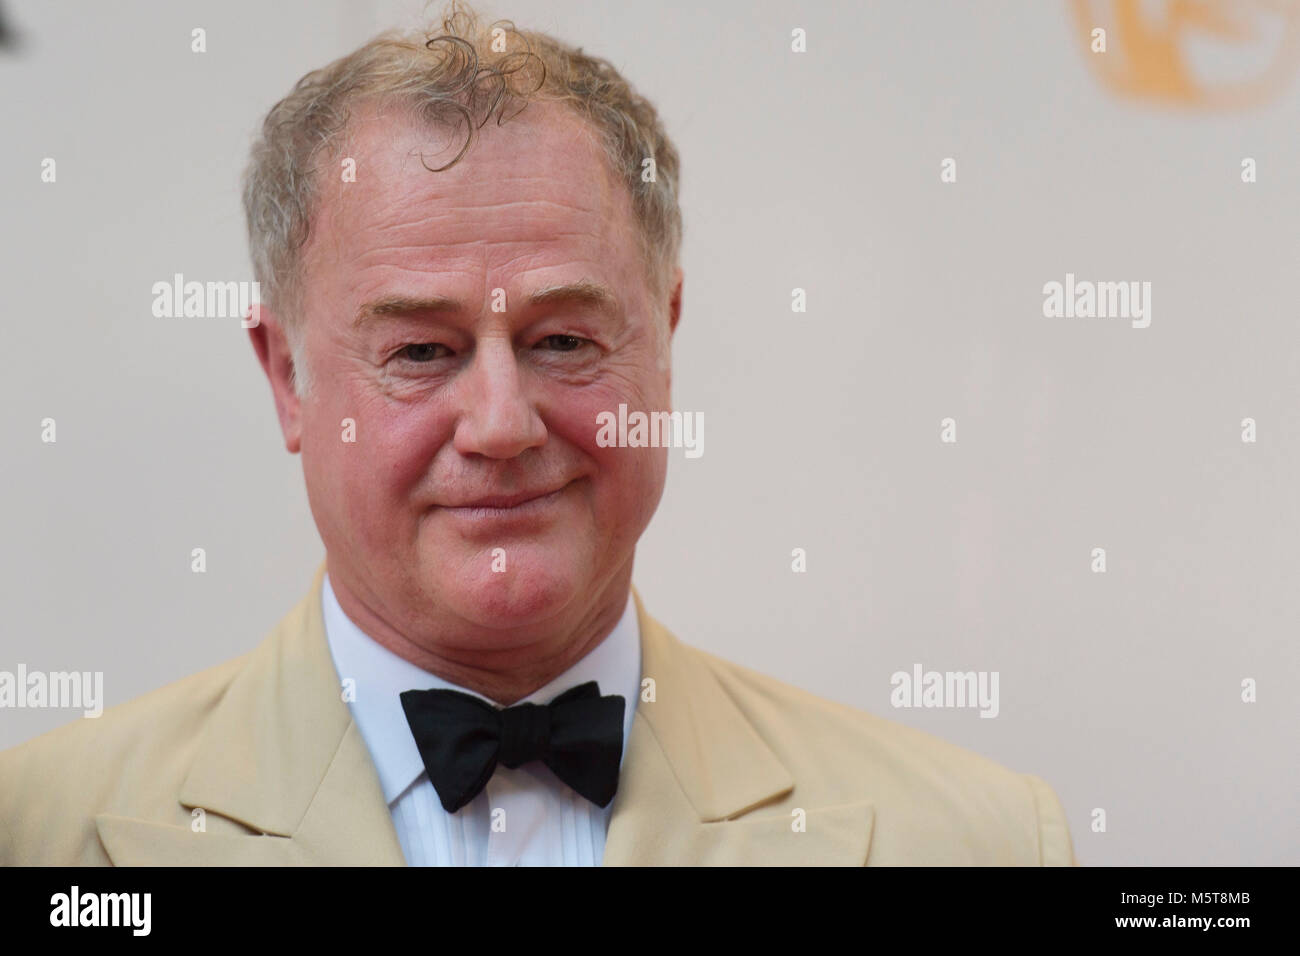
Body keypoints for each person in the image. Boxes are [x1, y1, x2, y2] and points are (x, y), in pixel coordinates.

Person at [0, 2, 1075, 866]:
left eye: (564, 339)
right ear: (288, 377)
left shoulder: (972, 842)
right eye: (421, 352)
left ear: (665, 340)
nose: (504, 423)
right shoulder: (40, 833)